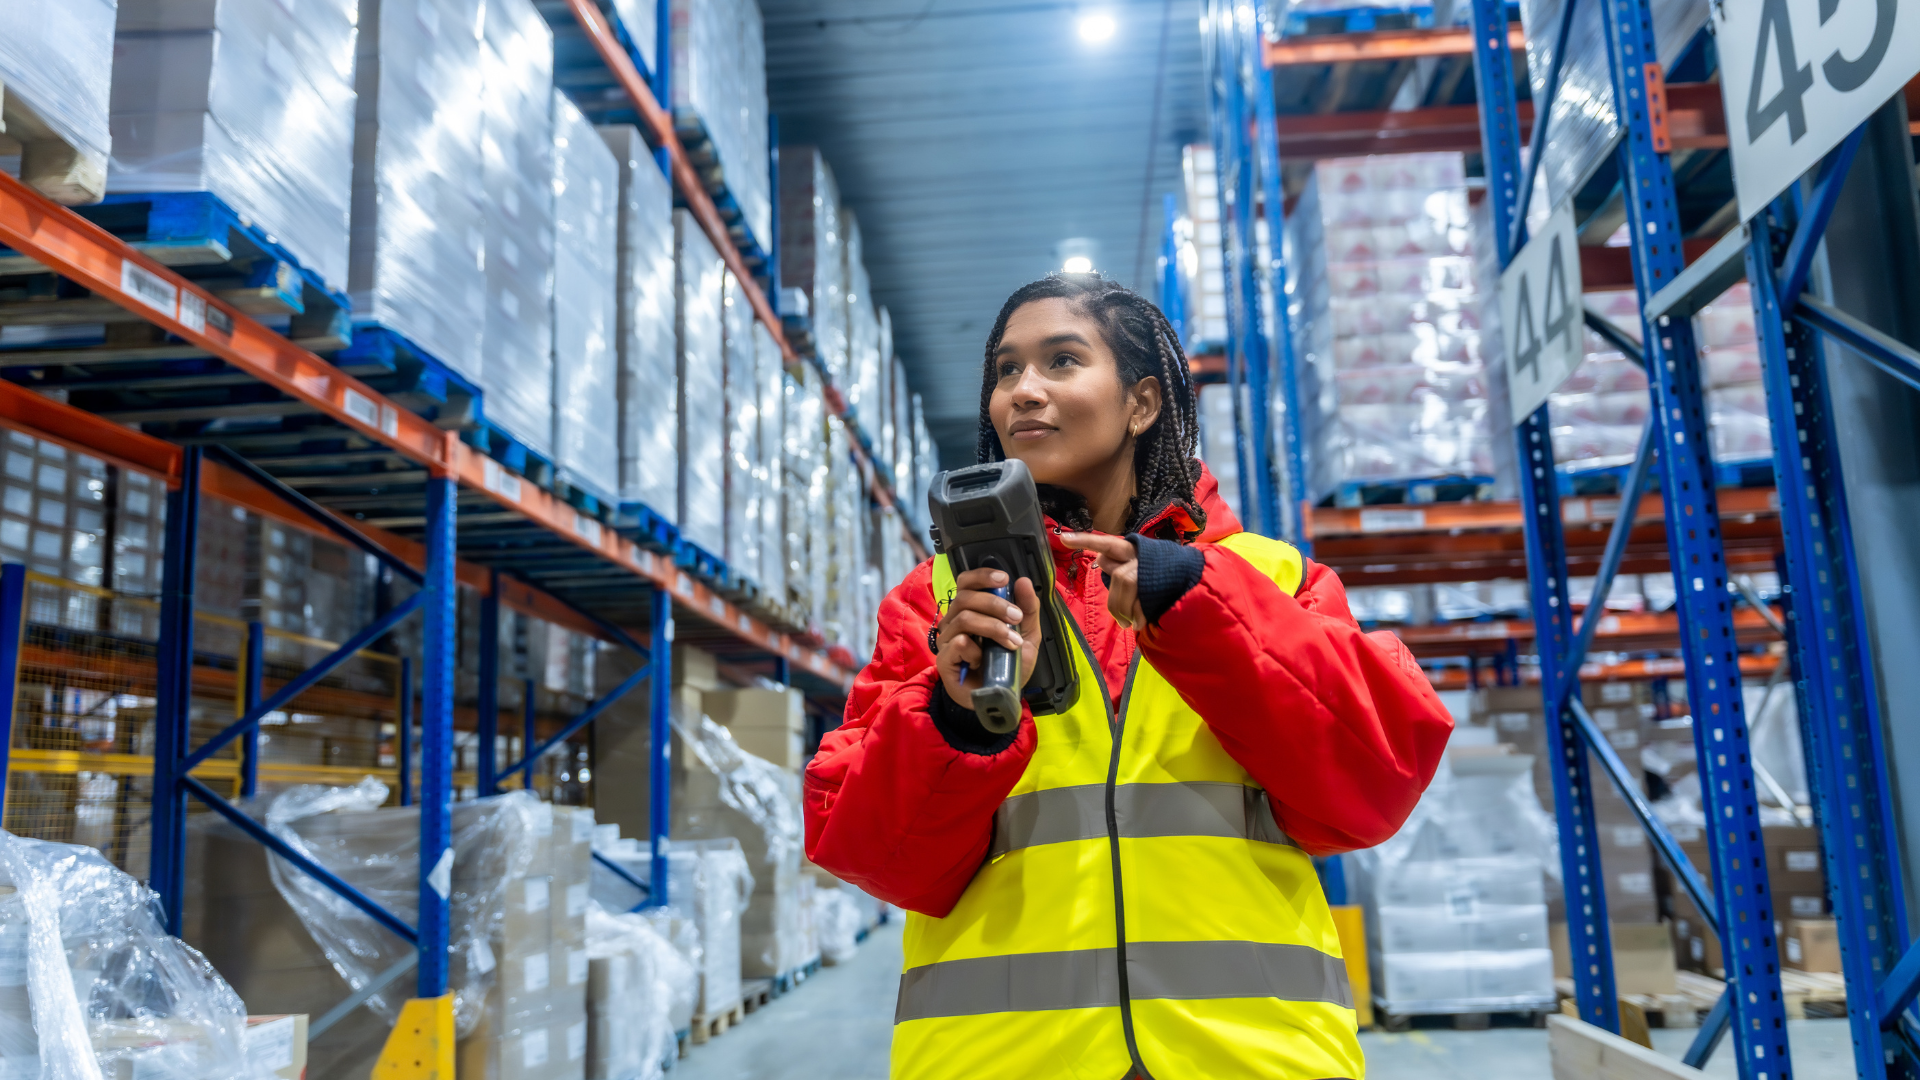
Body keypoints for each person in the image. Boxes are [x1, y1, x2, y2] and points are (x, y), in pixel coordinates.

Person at [804, 273, 1452, 1079]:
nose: (1023, 392)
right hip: (1003, 1060)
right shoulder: (937, 604)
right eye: (1006, 371)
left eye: (1062, 361)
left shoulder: (1269, 578)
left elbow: (1373, 788)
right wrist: (958, 719)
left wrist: (1202, 605)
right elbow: (871, 854)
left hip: (1252, 1058)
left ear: (1142, 404)